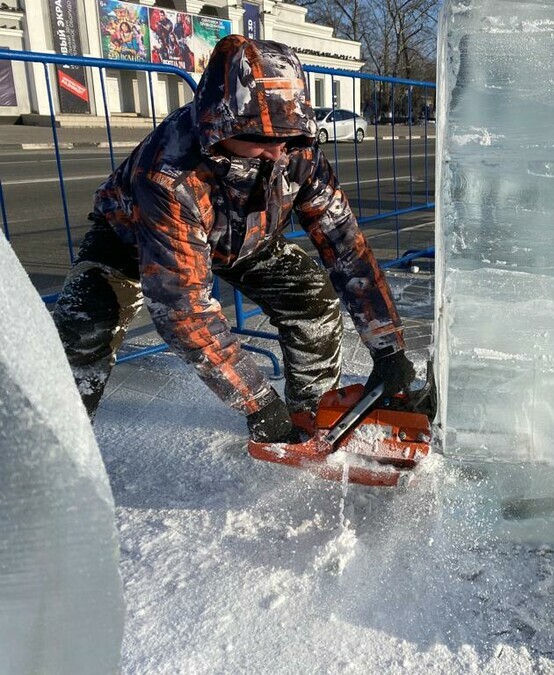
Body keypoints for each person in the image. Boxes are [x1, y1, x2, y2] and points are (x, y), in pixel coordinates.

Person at [52, 35, 416, 448]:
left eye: (288, 136)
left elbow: (346, 247)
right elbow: (181, 306)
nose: (277, 152)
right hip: (132, 240)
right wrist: (257, 401)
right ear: (219, 123)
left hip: (244, 237)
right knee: (83, 330)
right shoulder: (169, 175)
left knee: (311, 300)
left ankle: (311, 415)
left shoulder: (296, 151)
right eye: (261, 139)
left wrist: (389, 349)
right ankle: (57, 460)